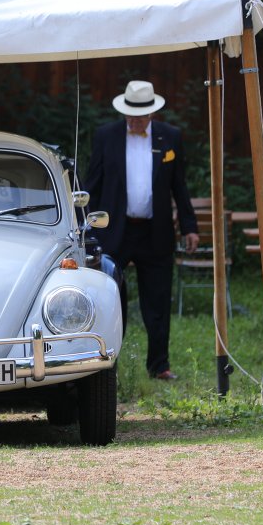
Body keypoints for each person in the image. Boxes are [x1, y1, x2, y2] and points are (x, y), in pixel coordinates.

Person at [85, 80, 199, 381]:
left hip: (154, 230)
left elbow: (179, 185)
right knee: (109, 294)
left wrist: (189, 226)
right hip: (115, 230)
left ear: (152, 113)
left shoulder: (170, 136)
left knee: (158, 298)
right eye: (131, 114)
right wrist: (86, 226)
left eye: (141, 115)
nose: (135, 120)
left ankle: (159, 365)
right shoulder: (106, 136)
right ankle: (105, 361)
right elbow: (92, 184)